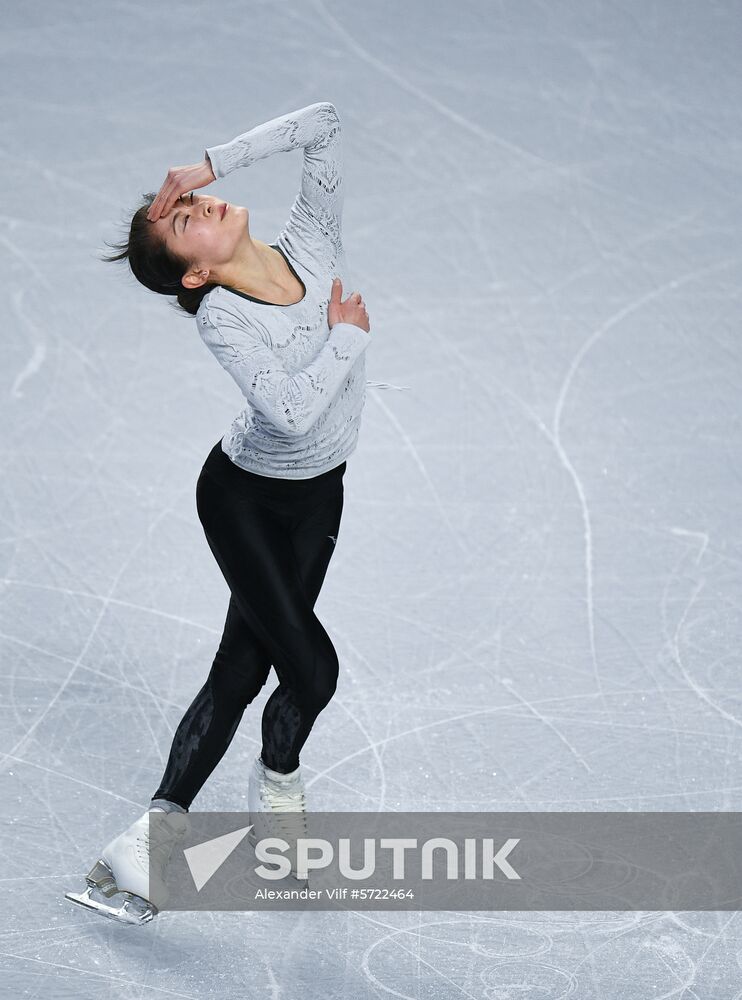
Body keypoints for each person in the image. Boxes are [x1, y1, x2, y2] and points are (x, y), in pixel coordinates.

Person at [66, 101, 373, 923]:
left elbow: (327, 124)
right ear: (195, 275)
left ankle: (148, 851)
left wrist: (211, 163)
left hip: (319, 496)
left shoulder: (308, 243)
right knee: (311, 669)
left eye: (190, 202)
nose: (197, 208)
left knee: (243, 670)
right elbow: (293, 414)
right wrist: (345, 336)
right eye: (184, 223)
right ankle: (274, 794)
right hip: (243, 500)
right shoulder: (227, 320)